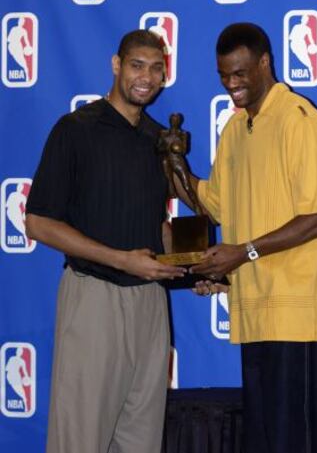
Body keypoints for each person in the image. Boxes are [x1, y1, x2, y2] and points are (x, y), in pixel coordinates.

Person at [190, 23, 317, 453]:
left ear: (265, 63)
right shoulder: (234, 129)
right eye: (224, 75)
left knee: (296, 441)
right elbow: (217, 204)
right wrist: (174, 172)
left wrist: (243, 253)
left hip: (300, 314)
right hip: (257, 309)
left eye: (240, 73)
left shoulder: (300, 119)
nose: (231, 84)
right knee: (264, 441)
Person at [25, 30, 185, 453]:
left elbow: (157, 226)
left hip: (150, 304)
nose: (146, 77)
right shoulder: (75, 130)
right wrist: (120, 260)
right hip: (94, 298)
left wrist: (192, 267)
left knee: (141, 439)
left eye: (156, 68)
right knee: (80, 439)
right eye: (137, 65)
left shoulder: (157, 140)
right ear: (116, 65)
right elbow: (38, 223)